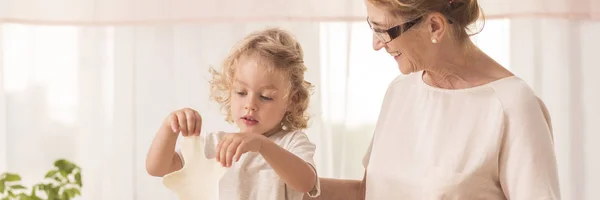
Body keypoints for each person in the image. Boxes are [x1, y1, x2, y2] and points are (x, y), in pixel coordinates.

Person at [304, 0, 561, 199]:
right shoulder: (401, 90)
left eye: (384, 30)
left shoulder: (512, 105)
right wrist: (281, 184)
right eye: (372, 27)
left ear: (434, 26)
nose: (377, 44)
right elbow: (370, 193)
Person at [146, 27, 321, 200]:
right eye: (241, 93)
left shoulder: (291, 143)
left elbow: (306, 183)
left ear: (292, 100)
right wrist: (169, 127)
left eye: (265, 97)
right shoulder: (215, 145)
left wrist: (262, 145)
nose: (250, 105)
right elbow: (157, 168)